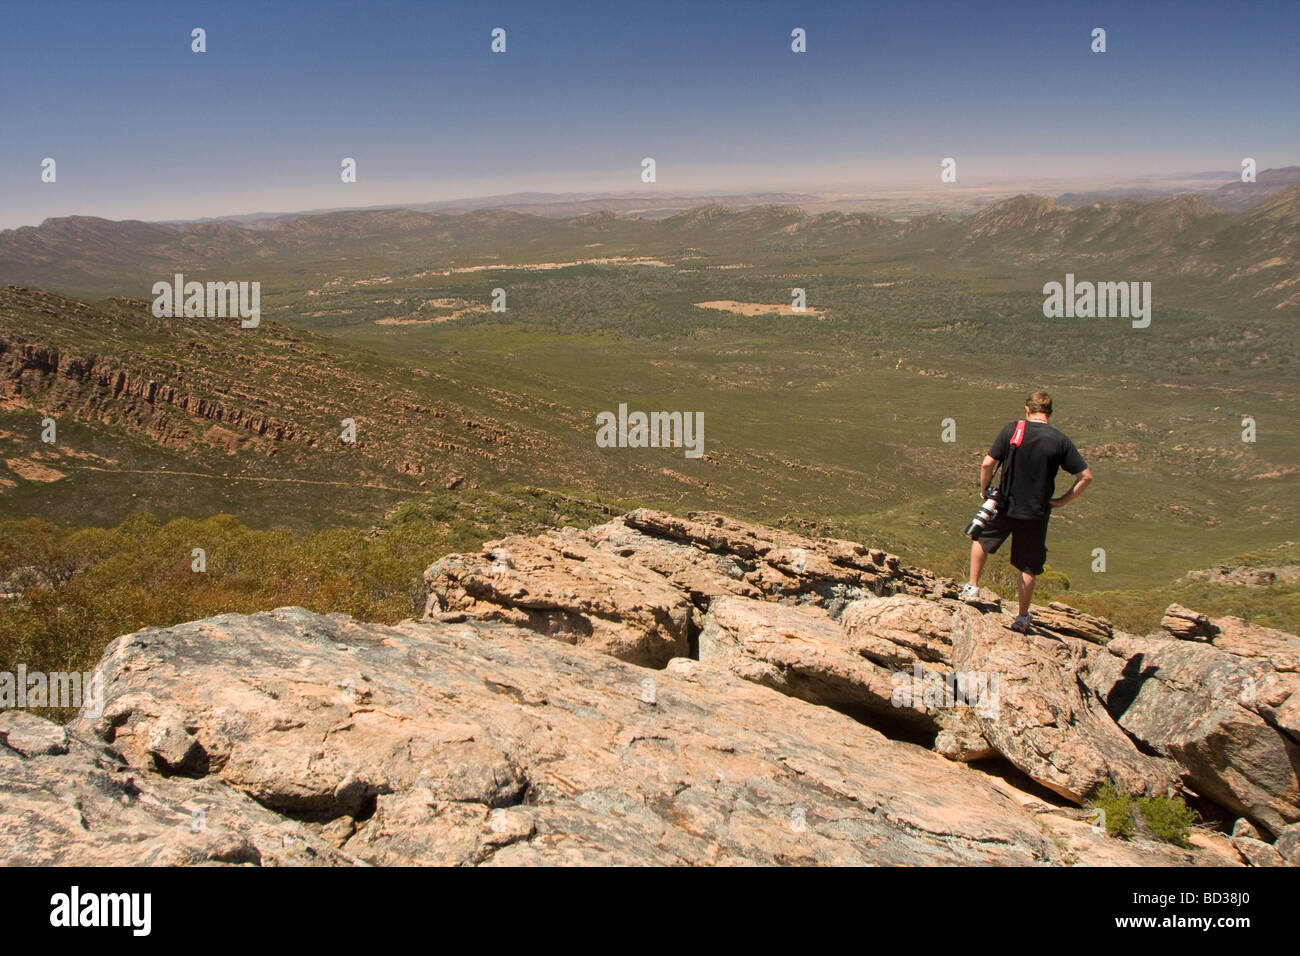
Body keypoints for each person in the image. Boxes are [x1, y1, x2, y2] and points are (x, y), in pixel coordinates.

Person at [959, 391, 1092, 632]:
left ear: (1027, 409)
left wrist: (985, 489)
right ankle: (1021, 617)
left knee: (981, 540)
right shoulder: (1059, 440)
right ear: (1049, 413)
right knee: (1028, 566)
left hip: (1005, 503)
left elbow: (987, 463)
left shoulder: (1013, 430)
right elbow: (1086, 476)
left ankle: (972, 587)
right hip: (1037, 511)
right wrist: (1062, 500)